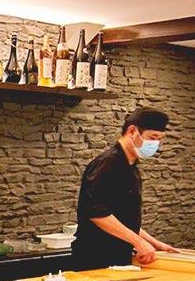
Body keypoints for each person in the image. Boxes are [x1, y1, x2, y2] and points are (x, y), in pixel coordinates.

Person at [71, 107, 178, 269]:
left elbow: (124, 219)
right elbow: (97, 213)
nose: (155, 144)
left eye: (159, 139)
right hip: (95, 257)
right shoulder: (108, 163)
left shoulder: (132, 166)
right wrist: (139, 242)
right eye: (153, 137)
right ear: (132, 130)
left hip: (119, 256)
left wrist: (154, 243)